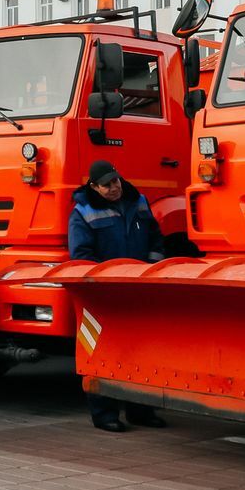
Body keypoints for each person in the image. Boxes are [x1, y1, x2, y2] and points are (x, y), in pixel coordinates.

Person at [68, 160, 168, 433]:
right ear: (94, 187)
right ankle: (104, 414)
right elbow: (81, 257)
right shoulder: (82, 213)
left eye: (116, 181)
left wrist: (150, 269)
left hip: (138, 288)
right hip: (102, 294)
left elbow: (156, 239)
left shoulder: (139, 202)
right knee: (99, 353)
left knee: (141, 352)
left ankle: (141, 410)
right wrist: (102, 284)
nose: (114, 188)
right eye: (107, 184)